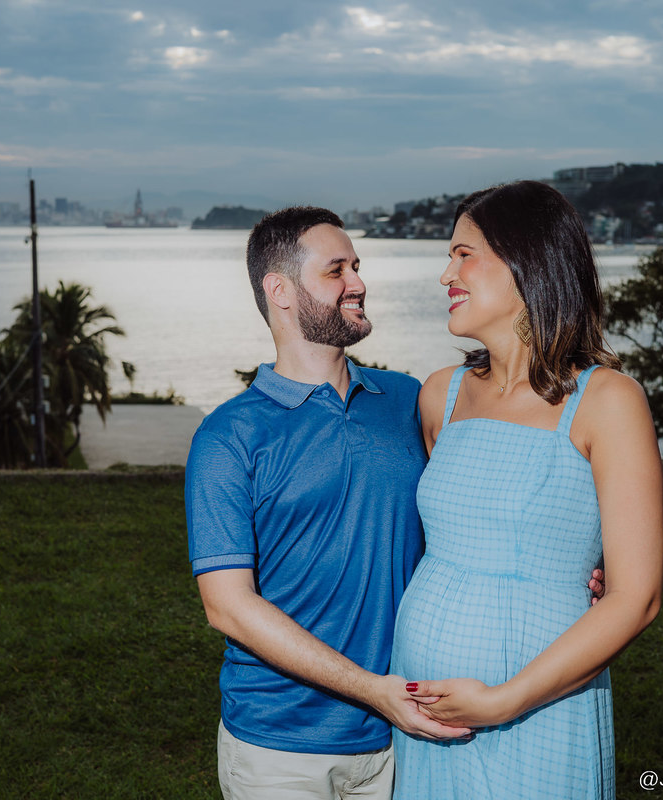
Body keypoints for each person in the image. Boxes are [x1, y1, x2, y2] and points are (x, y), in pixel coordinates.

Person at [184, 207, 472, 800]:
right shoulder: (228, 436)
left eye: (357, 266)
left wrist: (574, 564)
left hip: (405, 738)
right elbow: (228, 607)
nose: (359, 283)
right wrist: (373, 690)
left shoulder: (409, 400)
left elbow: (473, 509)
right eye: (336, 270)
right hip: (277, 749)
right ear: (281, 291)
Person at [391, 180, 663, 799]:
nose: (446, 275)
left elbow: (636, 597)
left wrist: (501, 700)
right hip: (424, 711)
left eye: (464, 255)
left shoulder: (607, 401)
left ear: (527, 261)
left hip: (539, 706)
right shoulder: (441, 394)